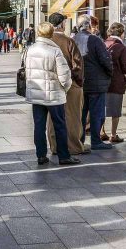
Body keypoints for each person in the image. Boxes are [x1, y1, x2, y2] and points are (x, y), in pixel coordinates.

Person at [25, 22, 80, 166]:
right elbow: (65, 75)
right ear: (50, 34)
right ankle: (63, 156)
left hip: (37, 94)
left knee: (39, 125)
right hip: (54, 95)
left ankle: (41, 155)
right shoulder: (54, 51)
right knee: (60, 125)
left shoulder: (30, 50)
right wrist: (65, 88)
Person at [46, 13, 88, 156]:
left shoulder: (45, 41)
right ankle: (73, 146)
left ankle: (55, 145)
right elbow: (77, 64)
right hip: (69, 84)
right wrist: (78, 82)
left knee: (52, 117)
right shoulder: (68, 41)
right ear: (62, 24)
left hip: (50, 84)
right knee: (72, 115)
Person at [74, 15, 114, 150]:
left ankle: (80, 139)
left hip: (80, 82)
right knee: (97, 113)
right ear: (89, 26)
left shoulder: (73, 39)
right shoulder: (95, 40)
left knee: (81, 113)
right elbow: (106, 60)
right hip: (96, 83)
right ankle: (96, 141)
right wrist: (109, 73)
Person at [104, 22, 126, 143]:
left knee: (102, 109)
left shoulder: (102, 44)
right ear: (122, 33)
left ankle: (101, 132)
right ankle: (113, 134)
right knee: (115, 110)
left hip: (102, 83)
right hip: (116, 82)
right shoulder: (121, 47)